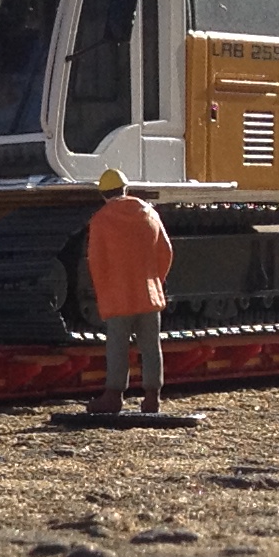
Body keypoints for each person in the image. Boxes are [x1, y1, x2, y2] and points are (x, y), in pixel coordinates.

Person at [85, 165, 173, 417]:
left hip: (118, 297)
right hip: (148, 295)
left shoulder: (101, 219)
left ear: (103, 194)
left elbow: (96, 261)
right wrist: (155, 281)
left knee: (117, 346)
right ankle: (152, 397)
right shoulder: (150, 213)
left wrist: (104, 292)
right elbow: (166, 252)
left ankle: (113, 396)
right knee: (151, 346)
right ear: (126, 189)